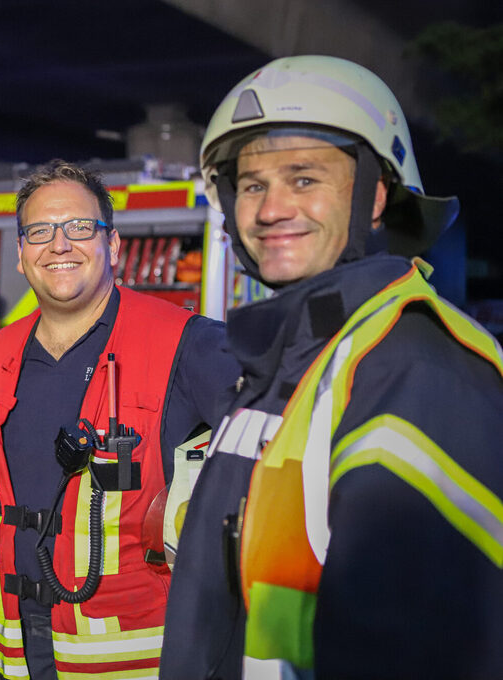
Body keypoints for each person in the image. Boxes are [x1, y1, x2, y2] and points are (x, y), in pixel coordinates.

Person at [159, 55, 503, 680]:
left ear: (375, 194)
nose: (270, 210)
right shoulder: (292, 361)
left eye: (304, 178)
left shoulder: (414, 367)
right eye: (254, 184)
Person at [0, 160, 240, 680]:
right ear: (20, 255)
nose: (59, 245)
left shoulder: (191, 344)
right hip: (11, 656)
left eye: (79, 228)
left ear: (112, 246)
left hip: (139, 662)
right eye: (39, 231)